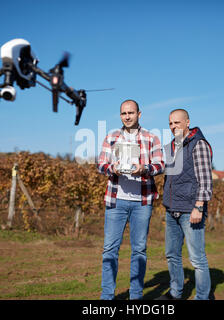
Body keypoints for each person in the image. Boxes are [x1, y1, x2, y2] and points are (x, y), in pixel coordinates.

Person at [97, 99, 165, 300]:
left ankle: (136, 297)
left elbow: (161, 165)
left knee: (139, 251)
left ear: (139, 114)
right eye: (123, 113)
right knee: (109, 250)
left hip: (142, 202)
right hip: (116, 201)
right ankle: (106, 297)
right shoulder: (111, 137)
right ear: (120, 116)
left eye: (131, 113)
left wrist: (145, 169)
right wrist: (112, 168)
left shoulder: (152, 138)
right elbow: (101, 165)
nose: (127, 116)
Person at [158, 108, 213, 300]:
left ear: (187, 122)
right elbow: (160, 169)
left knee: (197, 259)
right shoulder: (171, 147)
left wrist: (199, 206)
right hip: (171, 210)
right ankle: (175, 293)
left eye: (177, 122)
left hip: (190, 211)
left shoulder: (198, 145)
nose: (173, 126)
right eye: (170, 123)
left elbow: (205, 179)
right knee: (172, 255)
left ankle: (202, 297)